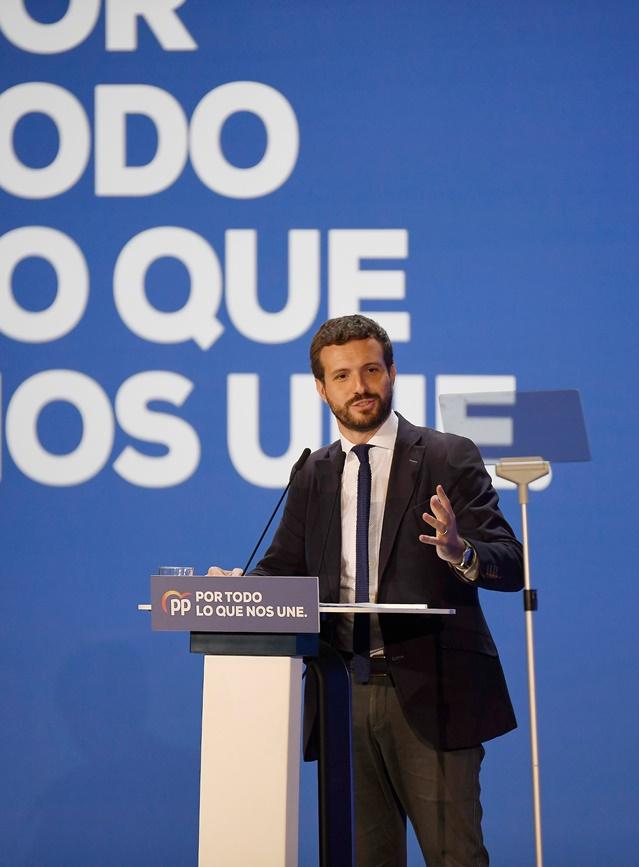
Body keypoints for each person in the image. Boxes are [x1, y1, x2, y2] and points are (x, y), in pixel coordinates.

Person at [213, 314, 523, 866]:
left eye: (371, 370)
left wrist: (459, 551)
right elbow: (284, 569)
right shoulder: (314, 472)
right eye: (342, 376)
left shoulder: (447, 456)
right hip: (342, 694)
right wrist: (239, 591)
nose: (360, 387)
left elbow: (510, 562)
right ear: (320, 387)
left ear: (392, 373)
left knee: (456, 857)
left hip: (434, 694)